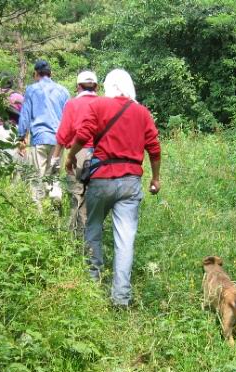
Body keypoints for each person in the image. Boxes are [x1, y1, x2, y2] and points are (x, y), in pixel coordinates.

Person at [66, 69, 161, 307]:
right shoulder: (142, 112)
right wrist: (155, 178)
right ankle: (121, 297)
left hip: (101, 180)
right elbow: (154, 148)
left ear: (108, 86)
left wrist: (71, 156)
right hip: (130, 182)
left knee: (93, 228)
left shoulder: (98, 106)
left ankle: (92, 283)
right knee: (125, 240)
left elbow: (83, 135)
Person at [52, 70, 99, 238]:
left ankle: (74, 240)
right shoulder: (104, 104)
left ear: (78, 86)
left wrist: (55, 158)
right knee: (92, 200)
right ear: (96, 87)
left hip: (78, 155)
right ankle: (90, 239)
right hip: (100, 157)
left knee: (76, 197)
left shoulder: (72, 104)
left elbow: (63, 133)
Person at [17, 60, 70, 208]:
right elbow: (68, 117)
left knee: (37, 177)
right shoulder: (63, 91)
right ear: (50, 73)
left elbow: (25, 115)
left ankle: (38, 210)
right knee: (54, 174)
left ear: (35, 74)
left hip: (39, 138)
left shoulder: (31, 90)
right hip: (58, 141)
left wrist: (21, 137)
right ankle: (55, 197)